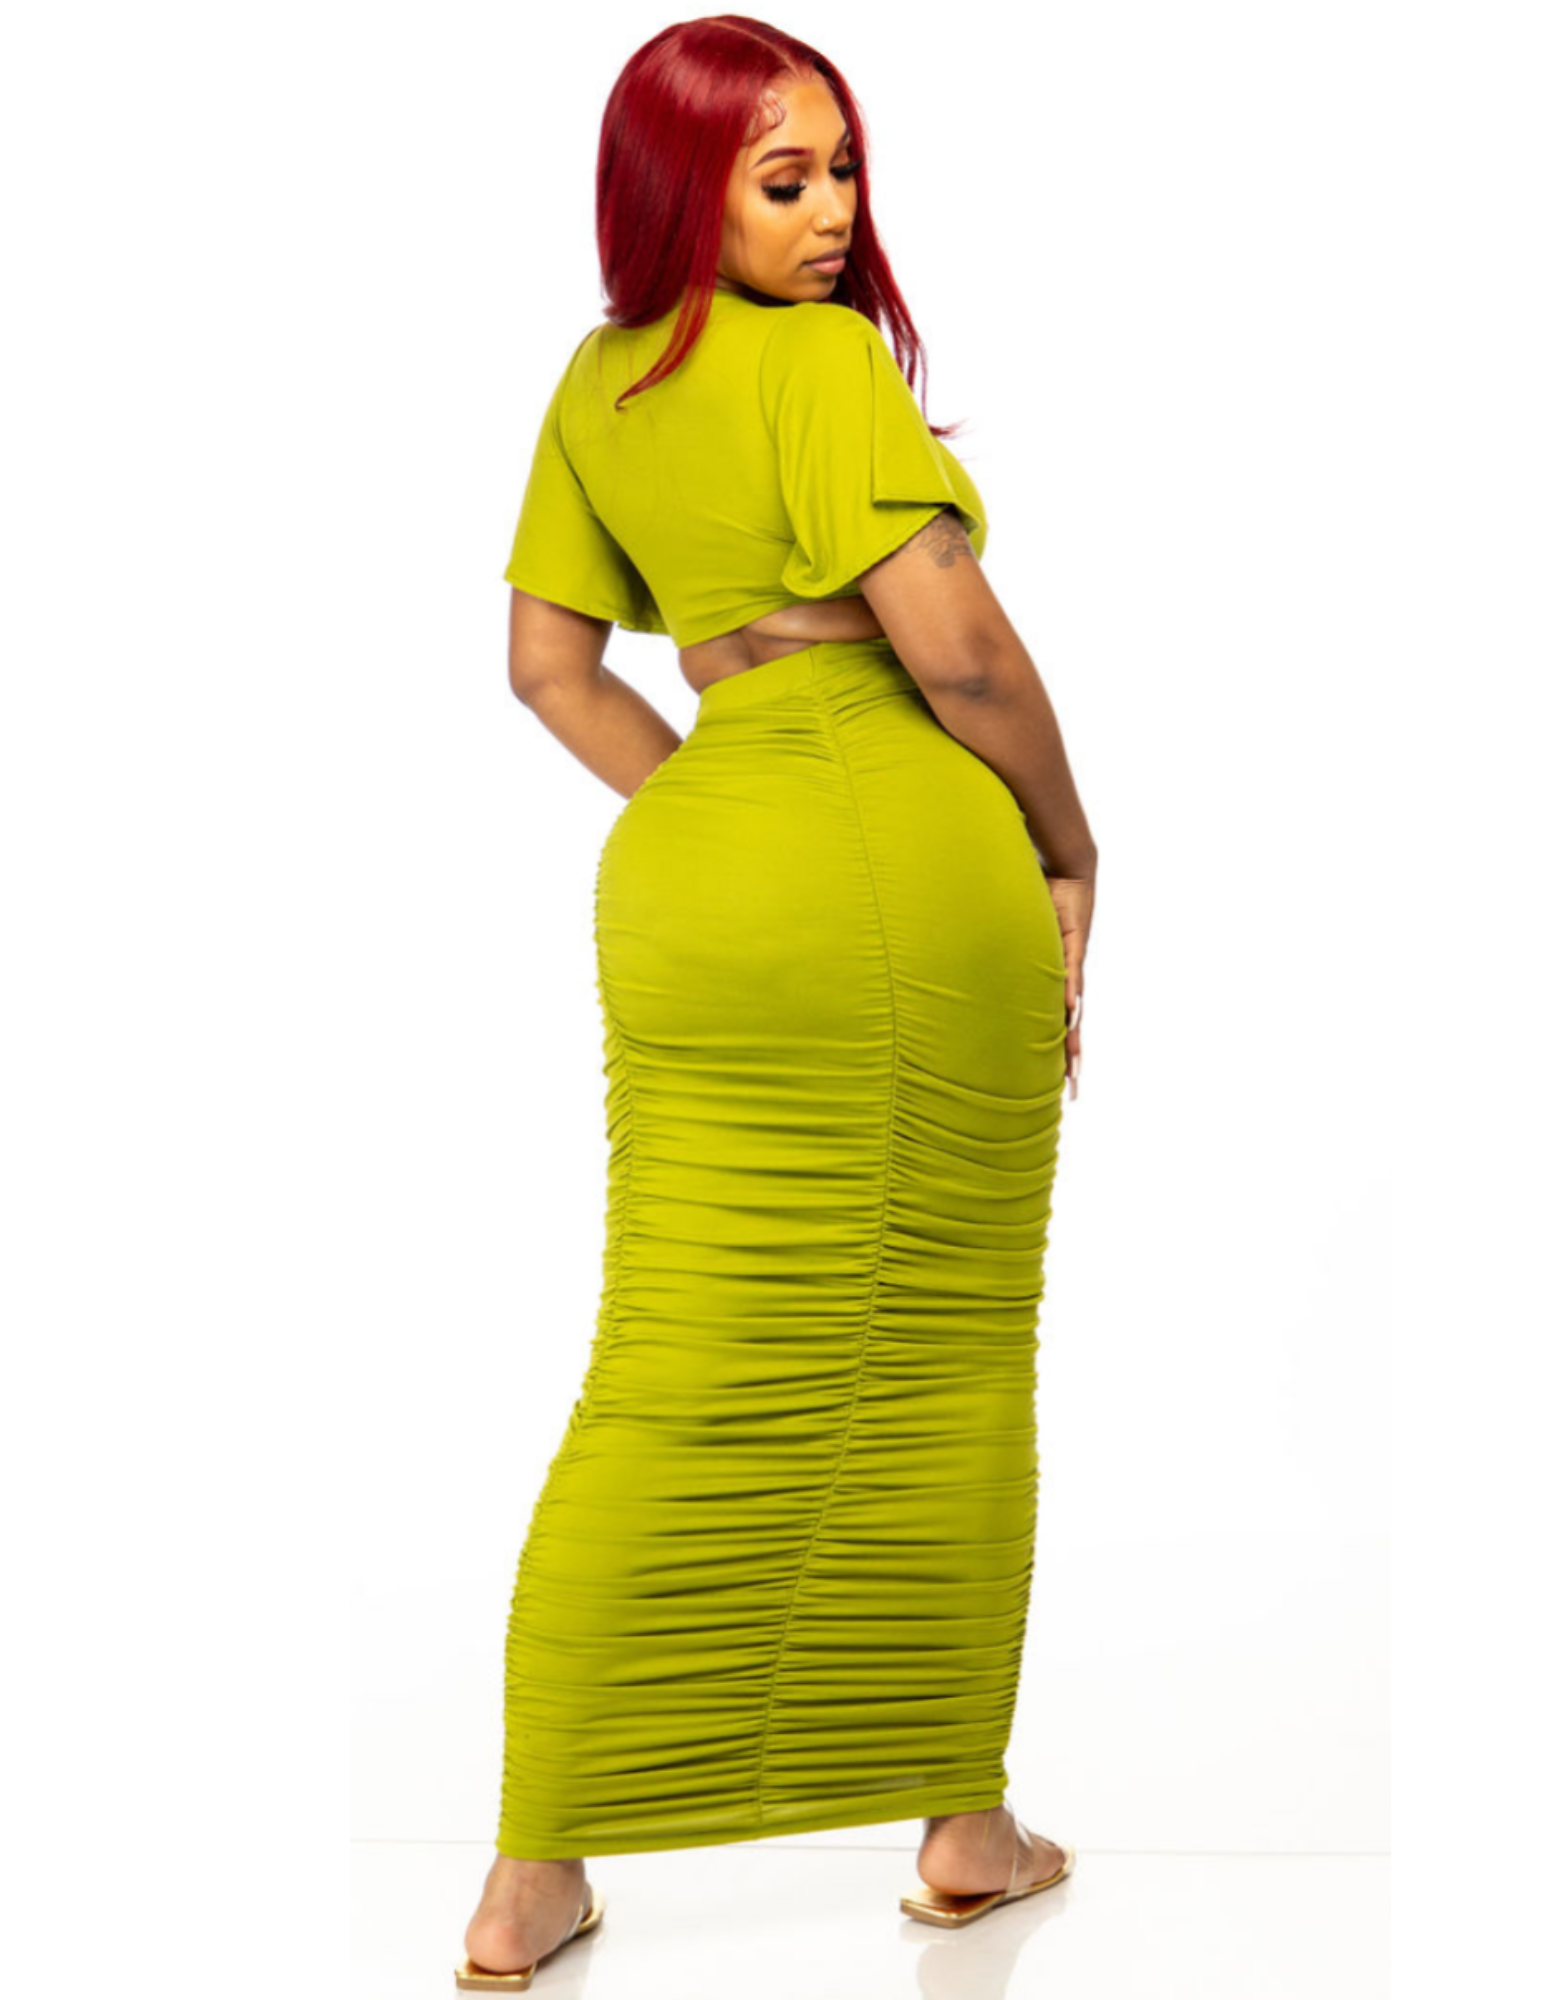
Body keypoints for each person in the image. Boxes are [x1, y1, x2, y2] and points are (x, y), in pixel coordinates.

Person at [457, 16, 1098, 1989]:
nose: (831, 216)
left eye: (841, 170)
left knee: (676, 1339)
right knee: (945, 1336)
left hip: (693, 867)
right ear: (681, 190)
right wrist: (1071, 848)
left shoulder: (597, 384)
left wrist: (711, 800)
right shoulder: (820, 365)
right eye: (783, 177)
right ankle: (963, 1829)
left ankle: (531, 1876)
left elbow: (548, 668)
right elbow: (959, 655)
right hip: (897, 851)